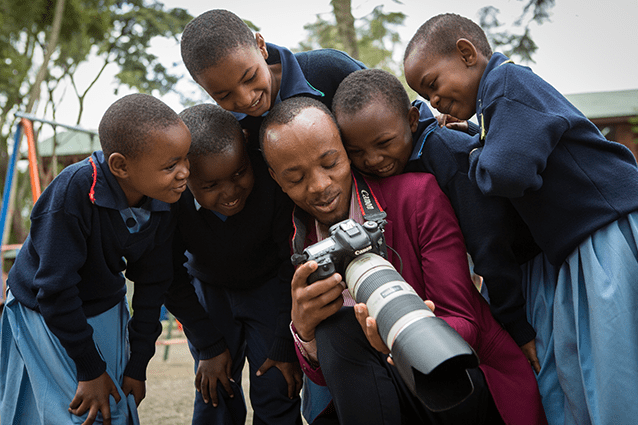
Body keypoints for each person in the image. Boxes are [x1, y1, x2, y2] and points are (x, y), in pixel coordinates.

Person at [403, 13, 638, 425]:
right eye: (424, 95)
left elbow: (508, 172)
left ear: (466, 53)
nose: (433, 102)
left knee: (613, 366)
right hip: (583, 238)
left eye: (433, 84)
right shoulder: (495, 107)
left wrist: (474, 150)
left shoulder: (507, 85)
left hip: (607, 229)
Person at [258, 96, 546, 425]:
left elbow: (465, 322)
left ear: (346, 150)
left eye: (330, 163)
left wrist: (399, 337)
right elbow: (331, 375)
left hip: (459, 376)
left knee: (340, 328)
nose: (320, 186)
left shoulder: (415, 195)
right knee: (334, 331)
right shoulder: (303, 242)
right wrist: (304, 332)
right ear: (277, 180)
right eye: (295, 179)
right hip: (378, 394)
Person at [0, 93, 191, 424]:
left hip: (102, 304)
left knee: (116, 407)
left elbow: (153, 284)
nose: (185, 172)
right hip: (43, 309)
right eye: (171, 165)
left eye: (185, 159)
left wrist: (137, 365)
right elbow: (55, 288)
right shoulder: (73, 192)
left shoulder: (164, 198)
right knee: (78, 412)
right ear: (120, 166)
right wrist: (89, 368)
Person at [331, 68, 541, 368]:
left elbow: (489, 244)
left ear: (413, 121)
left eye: (384, 143)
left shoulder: (449, 157)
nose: (373, 160)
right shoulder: (397, 161)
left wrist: (517, 325)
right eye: (357, 152)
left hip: (522, 271)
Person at [163, 103, 302, 425]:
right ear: (184, 172)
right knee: (215, 388)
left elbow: (291, 264)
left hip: (271, 288)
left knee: (277, 384)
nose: (230, 193)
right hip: (210, 293)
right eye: (210, 186)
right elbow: (169, 276)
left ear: (245, 144)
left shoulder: (272, 185)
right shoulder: (172, 199)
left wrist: (283, 343)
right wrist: (208, 346)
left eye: (239, 173)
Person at [179, 9, 366, 147]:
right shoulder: (234, 129)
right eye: (224, 96)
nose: (246, 100)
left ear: (261, 47)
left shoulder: (330, 68)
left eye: (250, 77)